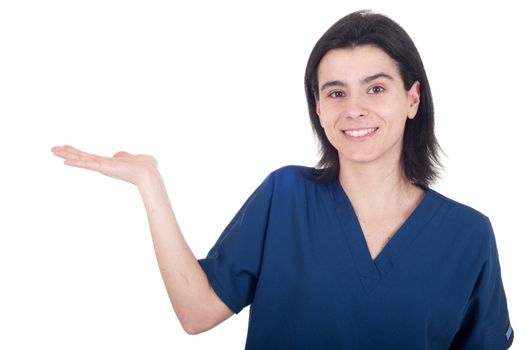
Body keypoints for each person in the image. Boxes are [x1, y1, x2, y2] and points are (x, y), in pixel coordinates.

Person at [51, 9, 514, 350]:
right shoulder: (285, 196)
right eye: (336, 92)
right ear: (318, 107)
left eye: (376, 88)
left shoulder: (468, 236)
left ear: (412, 98)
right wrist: (149, 182)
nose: (354, 109)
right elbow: (197, 314)